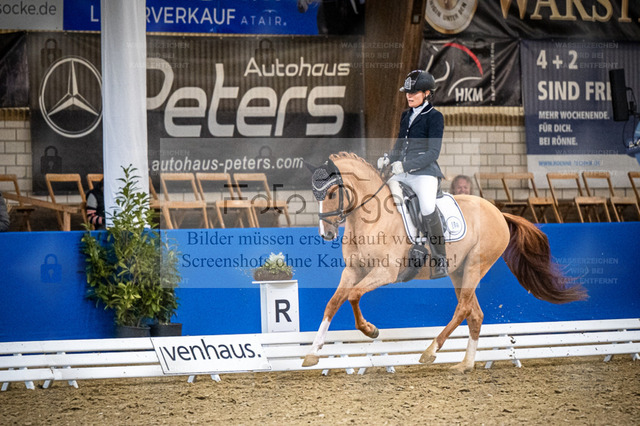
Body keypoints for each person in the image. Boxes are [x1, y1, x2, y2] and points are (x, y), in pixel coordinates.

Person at [378, 69, 447, 278]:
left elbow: (433, 153)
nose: (409, 96)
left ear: (426, 93)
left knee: (427, 207)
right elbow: (400, 145)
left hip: (425, 173)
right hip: (402, 172)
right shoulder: (406, 115)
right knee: (383, 194)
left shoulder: (435, 117)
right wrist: (389, 158)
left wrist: (406, 166)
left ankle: (440, 259)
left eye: (414, 92)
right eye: (408, 92)